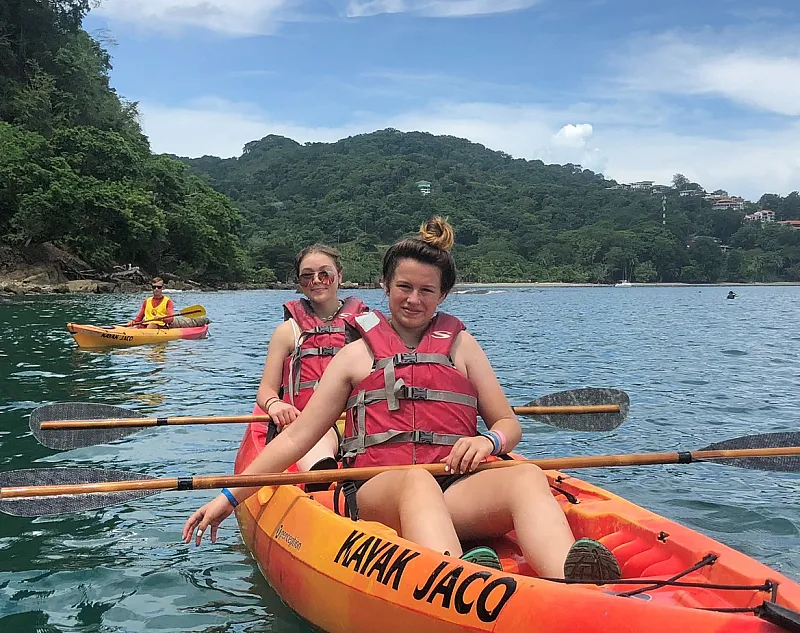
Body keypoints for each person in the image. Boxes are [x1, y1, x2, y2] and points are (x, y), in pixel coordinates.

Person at [183, 218, 621, 582]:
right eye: (404, 287)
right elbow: (297, 438)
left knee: (526, 474)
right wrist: (228, 497)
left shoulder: (462, 346)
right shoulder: (356, 356)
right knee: (415, 480)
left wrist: (488, 443)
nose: (414, 299)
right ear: (384, 285)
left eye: (426, 291)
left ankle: (573, 585)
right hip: (381, 492)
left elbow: (508, 424)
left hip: (453, 487)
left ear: (443, 295)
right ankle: (461, 581)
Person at [252, 244, 368, 490]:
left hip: (355, 420)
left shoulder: (366, 326)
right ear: (300, 282)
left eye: (324, 274)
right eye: (307, 276)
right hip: (305, 421)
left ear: (339, 276)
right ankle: (322, 481)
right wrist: (276, 404)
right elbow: (265, 391)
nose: (317, 281)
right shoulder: (288, 332)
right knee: (316, 441)